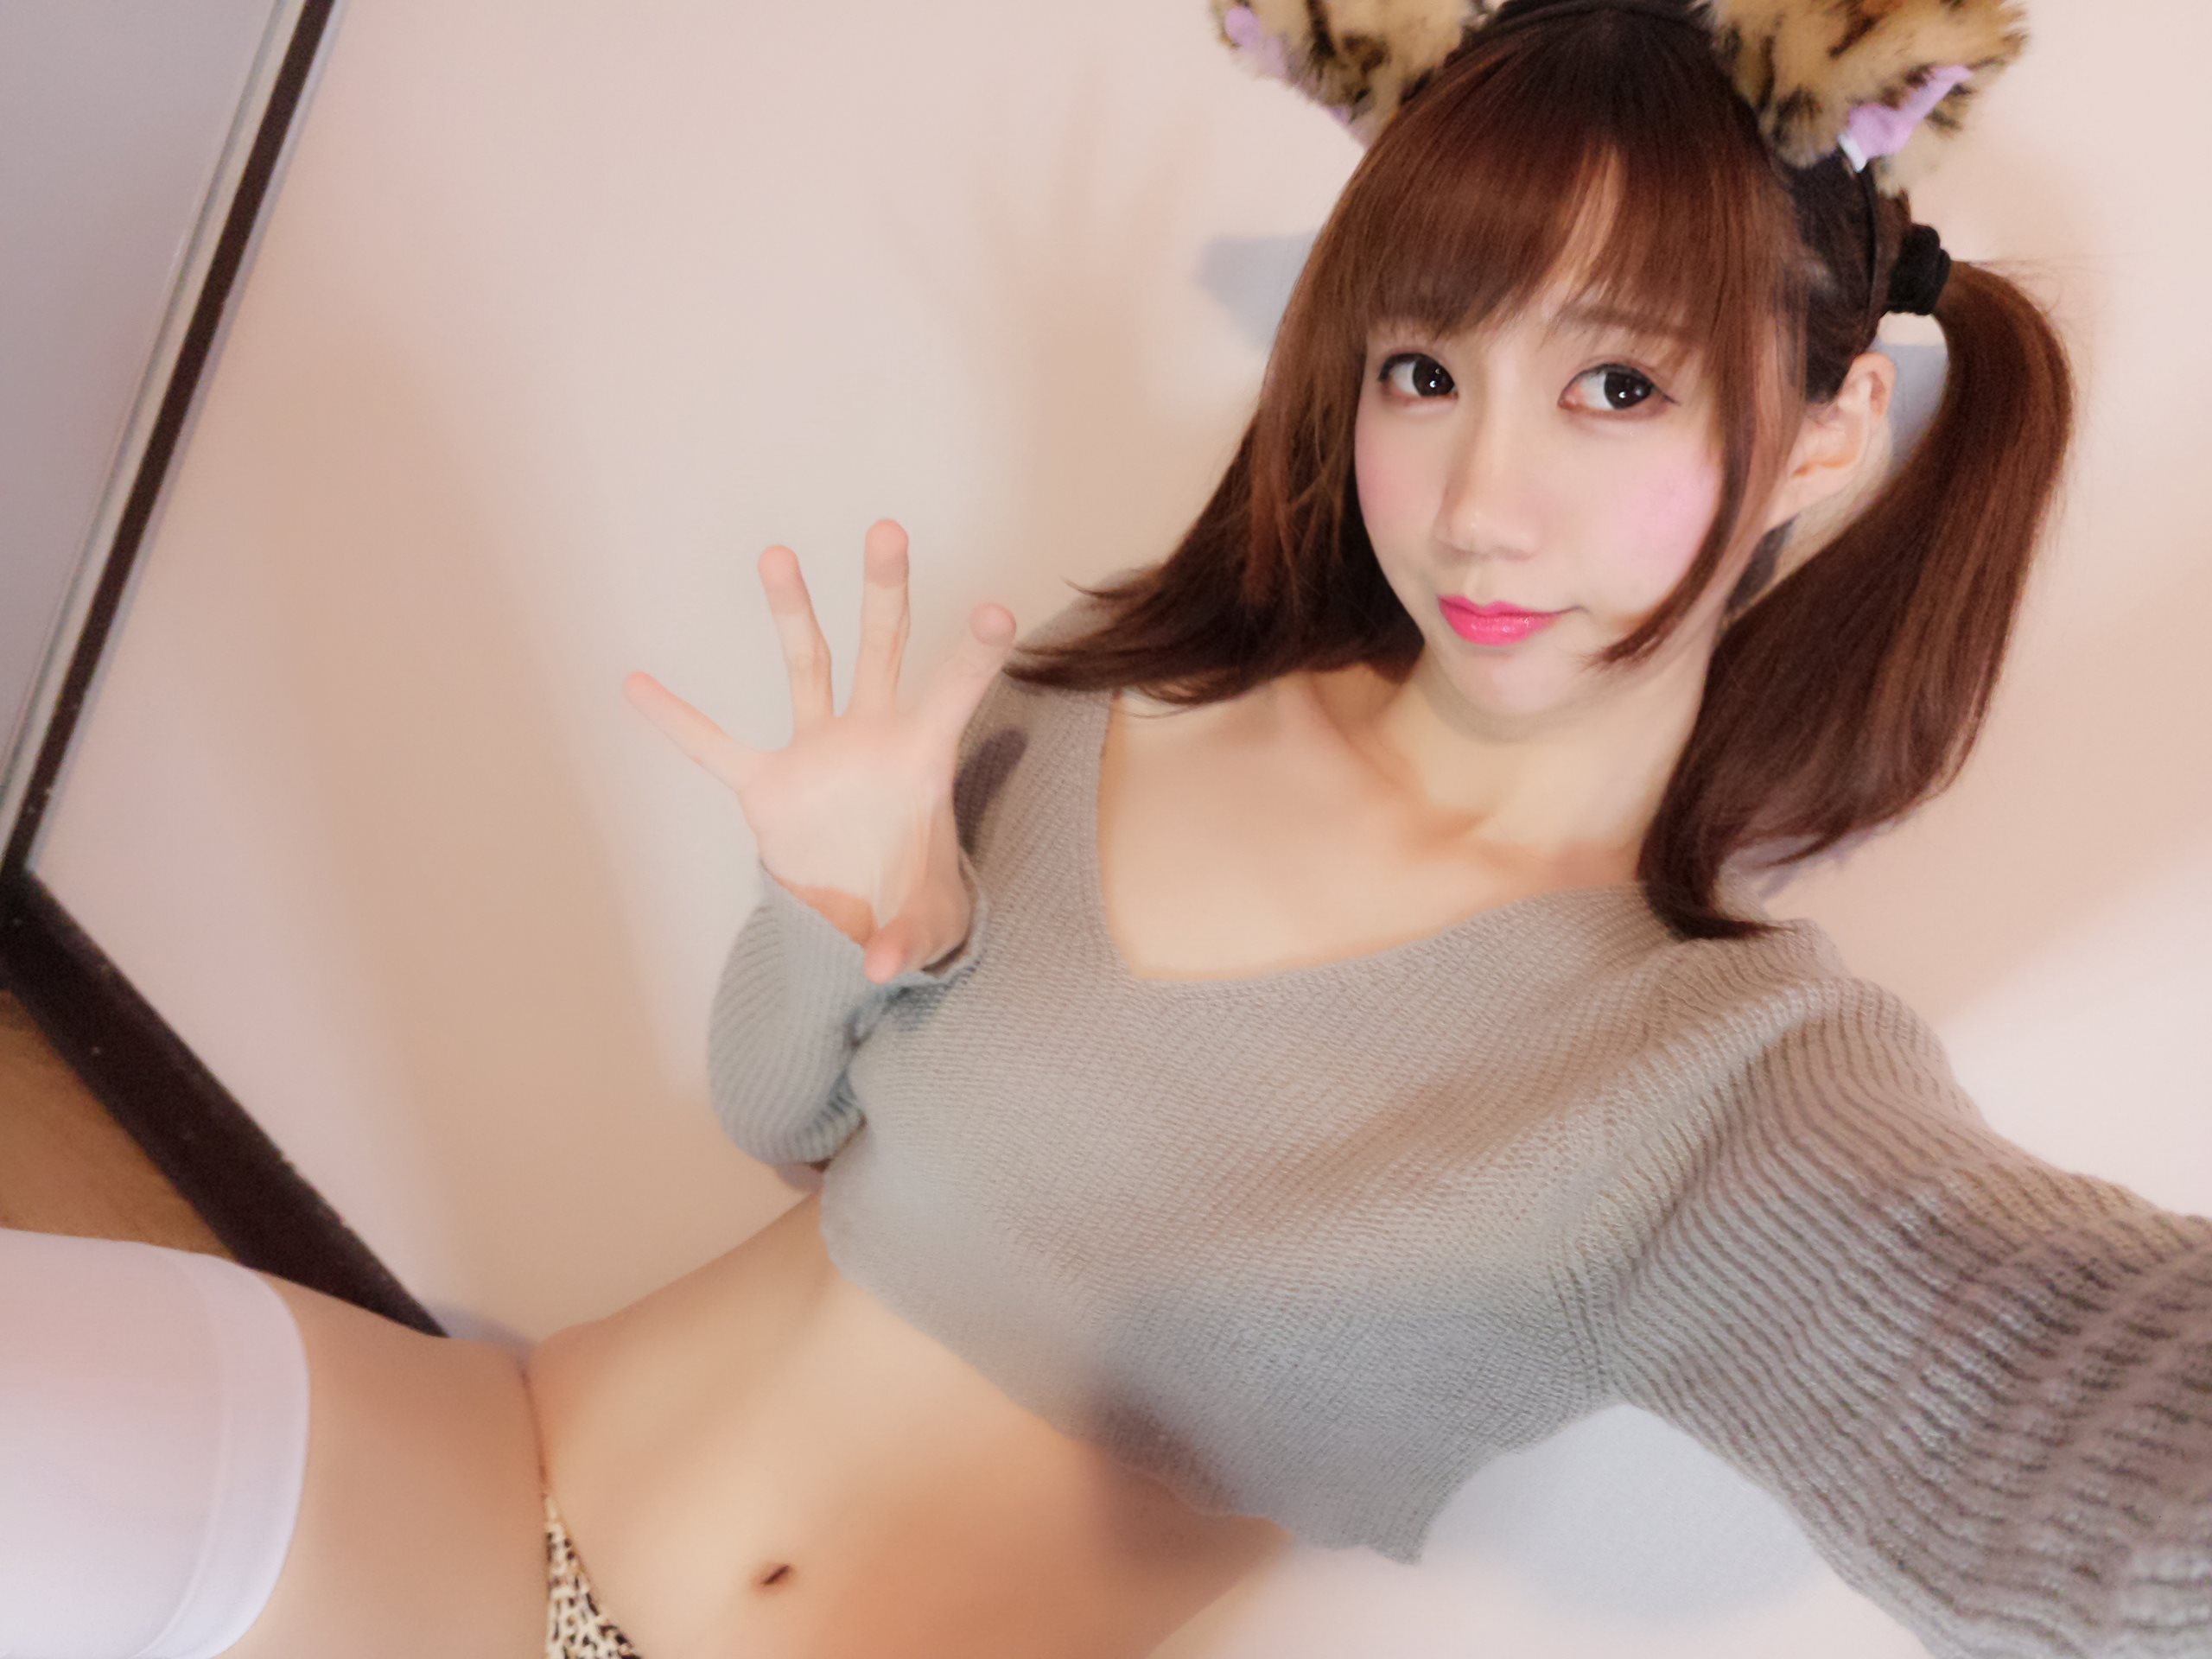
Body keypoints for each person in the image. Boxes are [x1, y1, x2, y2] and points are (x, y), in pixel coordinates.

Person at [3, 0, 2207, 1655]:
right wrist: (848, 914)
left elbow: (2059, 1433)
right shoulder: (1122, 698)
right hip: (476, 1492)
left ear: (1821, 433)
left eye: (1612, 386)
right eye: (1423, 372)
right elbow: (778, 1122)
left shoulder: (1708, 1091)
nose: (1476, 498)